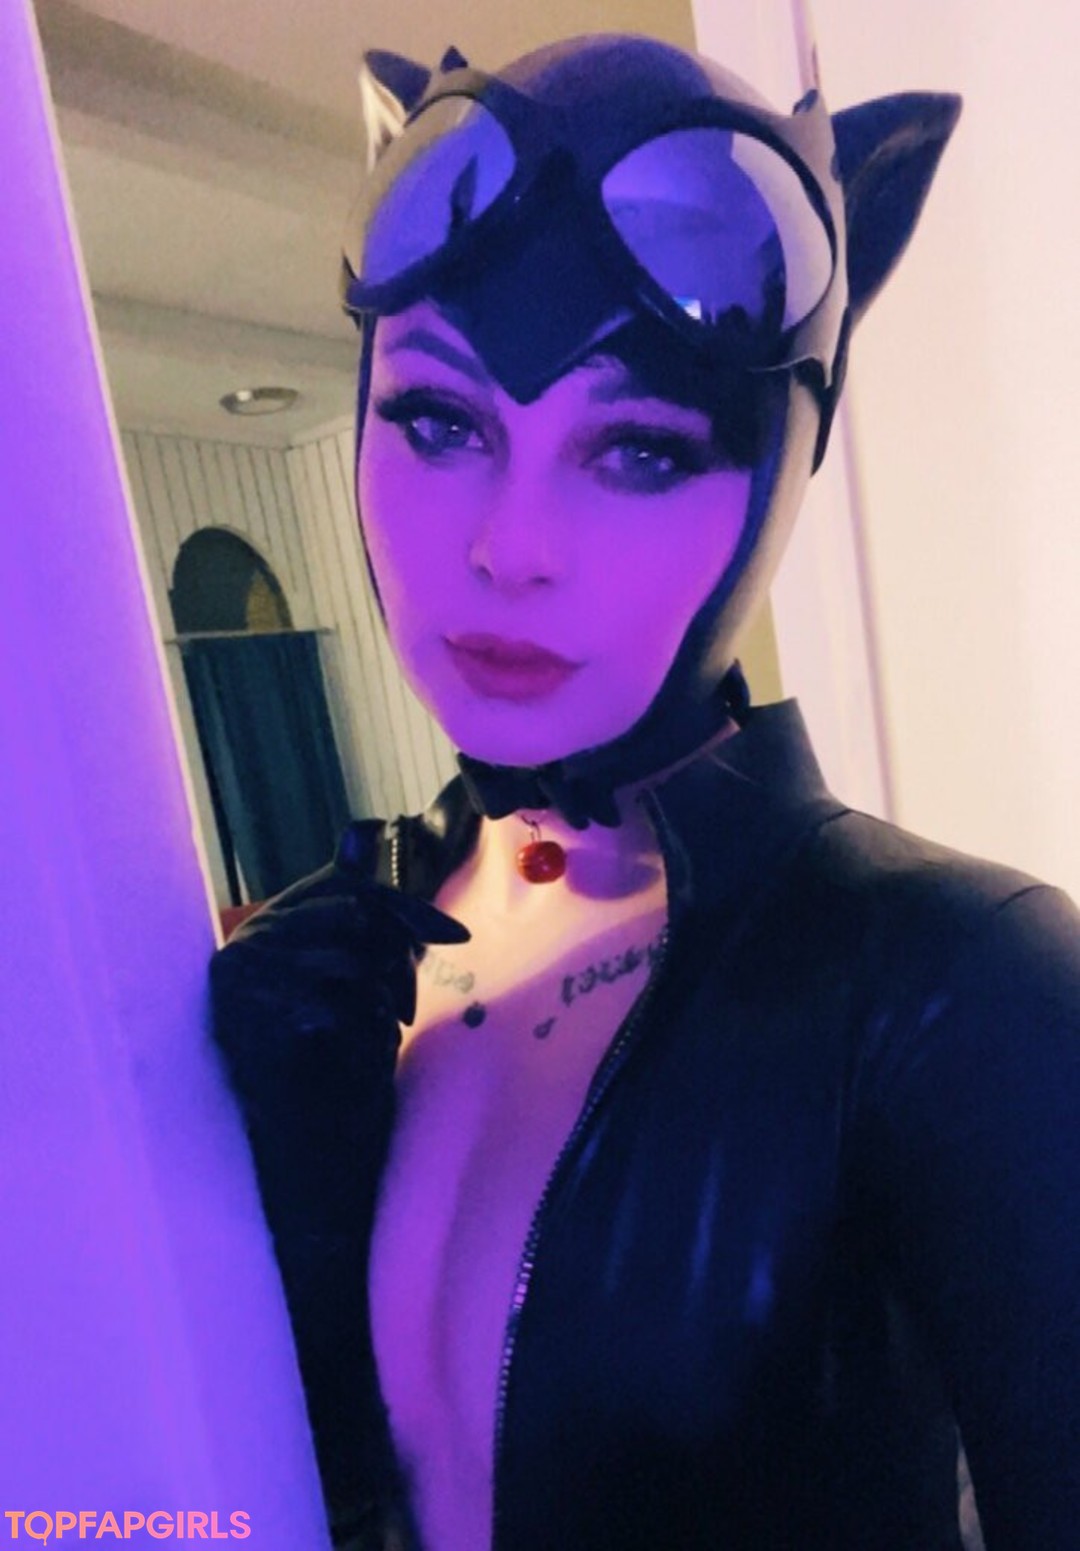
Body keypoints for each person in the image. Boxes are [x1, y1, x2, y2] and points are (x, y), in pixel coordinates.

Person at [208, 34, 1080, 1551]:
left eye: (638, 451)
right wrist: (277, 1178)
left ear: (783, 473)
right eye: (440, 421)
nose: (509, 547)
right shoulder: (352, 952)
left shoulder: (957, 978)